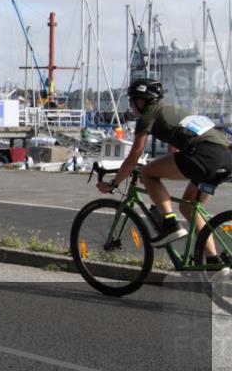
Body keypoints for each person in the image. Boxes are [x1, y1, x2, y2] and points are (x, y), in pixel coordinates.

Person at [98, 77, 232, 277]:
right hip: (225, 159)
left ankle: (170, 224)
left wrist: (115, 182)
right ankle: (214, 260)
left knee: (146, 172)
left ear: (141, 101)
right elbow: (174, 154)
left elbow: (135, 154)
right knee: (189, 206)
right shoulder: (173, 110)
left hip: (204, 156)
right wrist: (158, 183)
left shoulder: (148, 115)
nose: (131, 106)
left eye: (132, 100)